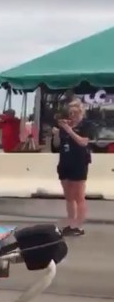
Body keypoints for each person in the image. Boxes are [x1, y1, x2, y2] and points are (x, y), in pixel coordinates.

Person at [54, 100, 94, 236]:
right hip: (65, 161)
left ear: (81, 112)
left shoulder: (86, 125)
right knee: (68, 196)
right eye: (70, 112)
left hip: (79, 162)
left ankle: (79, 225)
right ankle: (71, 223)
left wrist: (69, 130)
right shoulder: (66, 125)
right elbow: (57, 145)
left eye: (75, 112)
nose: (72, 115)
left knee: (79, 195)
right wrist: (57, 133)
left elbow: (83, 142)